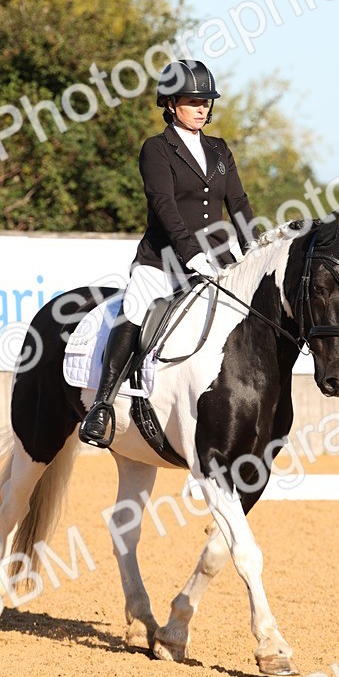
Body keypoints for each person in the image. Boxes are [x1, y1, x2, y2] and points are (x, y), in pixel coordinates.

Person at [79, 59, 257, 448]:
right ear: (171, 103)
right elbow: (164, 206)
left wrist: (255, 249)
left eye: (206, 101)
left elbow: (239, 203)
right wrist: (190, 253)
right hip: (162, 261)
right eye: (194, 101)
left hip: (217, 260)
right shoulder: (157, 149)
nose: (202, 108)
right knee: (136, 308)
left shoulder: (219, 149)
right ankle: (103, 406)